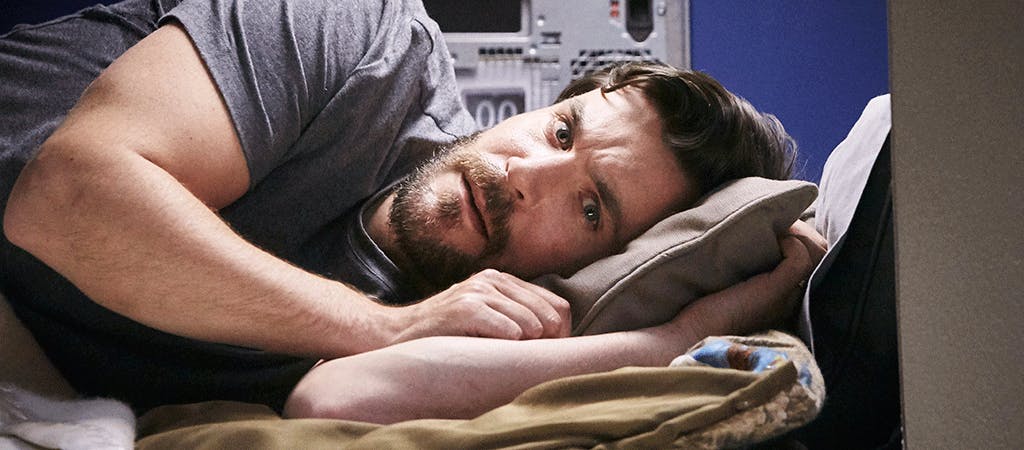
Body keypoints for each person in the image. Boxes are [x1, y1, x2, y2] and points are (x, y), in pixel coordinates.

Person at [0, 0, 820, 415]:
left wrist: (670, 344)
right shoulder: (361, 37)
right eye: (563, 131)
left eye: (590, 211)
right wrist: (383, 326)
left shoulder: (479, 319)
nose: (524, 173)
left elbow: (332, 402)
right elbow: (67, 197)